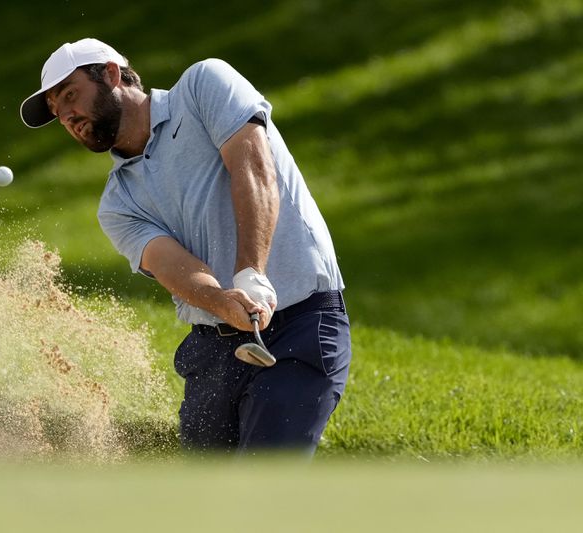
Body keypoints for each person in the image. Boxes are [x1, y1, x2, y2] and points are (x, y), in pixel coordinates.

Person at [20, 38, 351, 456]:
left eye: (71, 95)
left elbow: (252, 166)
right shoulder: (118, 202)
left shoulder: (202, 86)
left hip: (300, 325)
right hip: (213, 350)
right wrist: (222, 299)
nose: (67, 117)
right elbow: (169, 264)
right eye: (57, 111)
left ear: (111, 74)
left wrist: (252, 272)